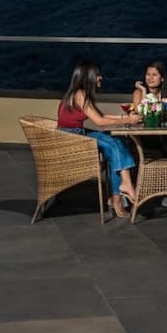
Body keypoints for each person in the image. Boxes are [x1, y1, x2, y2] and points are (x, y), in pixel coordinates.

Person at [57, 60, 140, 217]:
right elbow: (100, 122)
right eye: (98, 74)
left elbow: (101, 115)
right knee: (115, 144)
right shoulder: (80, 94)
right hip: (72, 138)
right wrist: (128, 120)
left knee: (116, 147)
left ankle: (118, 194)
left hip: (73, 133)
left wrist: (125, 118)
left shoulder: (78, 93)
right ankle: (124, 189)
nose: (101, 77)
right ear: (88, 76)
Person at [131, 60, 167, 210]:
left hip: (165, 137)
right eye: (148, 74)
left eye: (154, 74)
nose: (150, 78)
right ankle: (141, 197)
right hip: (145, 138)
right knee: (141, 152)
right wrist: (144, 92)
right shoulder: (138, 93)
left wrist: (165, 110)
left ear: (162, 78)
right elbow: (140, 112)